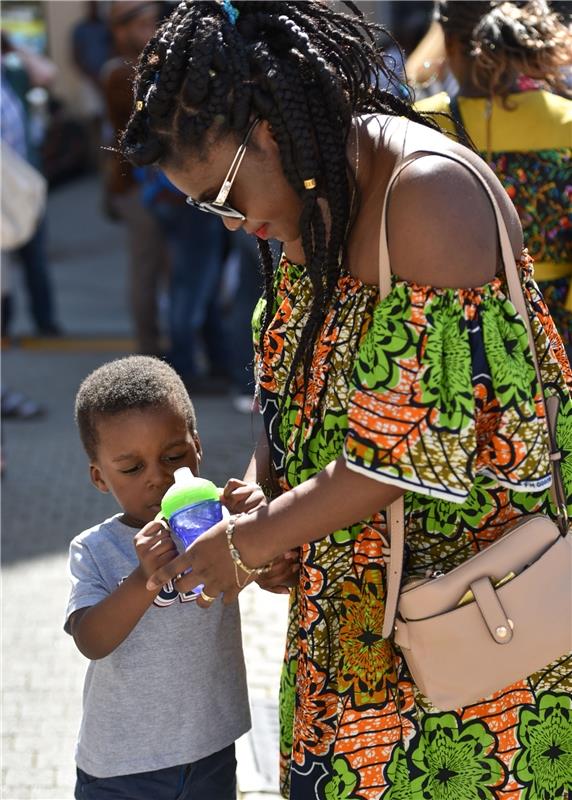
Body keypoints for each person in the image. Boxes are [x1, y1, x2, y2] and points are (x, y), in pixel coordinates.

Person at [119, 3, 572, 798]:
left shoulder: (428, 197)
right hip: (352, 653)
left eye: (221, 197)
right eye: (205, 210)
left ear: (266, 135)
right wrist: (264, 488)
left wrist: (248, 542)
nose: (229, 226)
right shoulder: (314, 200)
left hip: (470, 662)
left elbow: (400, 455)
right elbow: (296, 385)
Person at [65, 355, 255, 799]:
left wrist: (257, 525)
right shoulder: (94, 548)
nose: (159, 478)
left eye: (173, 456)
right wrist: (142, 580)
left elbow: (263, 576)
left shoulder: (220, 529)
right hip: (122, 766)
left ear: (198, 447)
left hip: (209, 750)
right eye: (132, 469)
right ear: (99, 477)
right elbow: (90, 640)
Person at [416, 0, 571, 357]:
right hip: (553, 324)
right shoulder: (568, 122)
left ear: (450, 45)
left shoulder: (422, 123)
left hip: (456, 324)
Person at [101, 1, 168, 356]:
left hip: (160, 186)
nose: (151, 30)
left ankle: (171, 346)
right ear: (121, 30)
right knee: (146, 271)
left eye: (153, 22)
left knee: (170, 271)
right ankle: (149, 351)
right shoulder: (118, 72)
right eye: (143, 24)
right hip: (136, 187)